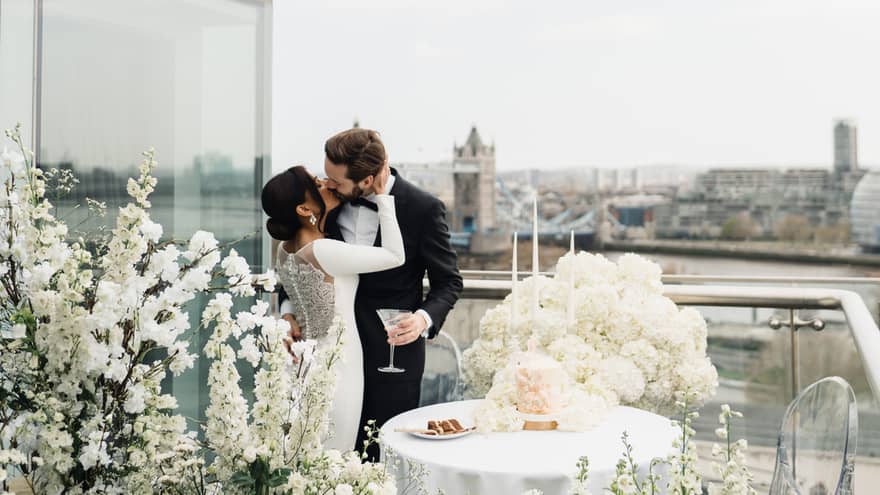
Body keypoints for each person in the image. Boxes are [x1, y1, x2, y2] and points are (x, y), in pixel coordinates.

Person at [282, 128, 463, 460]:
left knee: (383, 459)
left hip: (393, 358)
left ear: (366, 182)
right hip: (330, 356)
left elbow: (448, 282)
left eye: (336, 180)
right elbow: (297, 265)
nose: (327, 184)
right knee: (327, 456)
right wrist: (287, 311)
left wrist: (422, 320)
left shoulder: (424, 208)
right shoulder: (324, 204)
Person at [262, 163, 404, 452]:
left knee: (307, 456)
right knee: (335, 456)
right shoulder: (324, 251)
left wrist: (287, 313)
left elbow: (293, 291)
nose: (327, 183)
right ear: (304, 210)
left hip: (303, 364)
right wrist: (382, 196)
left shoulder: (285, 247)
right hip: (338, 367)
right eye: (317, 184)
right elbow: (394, 255)